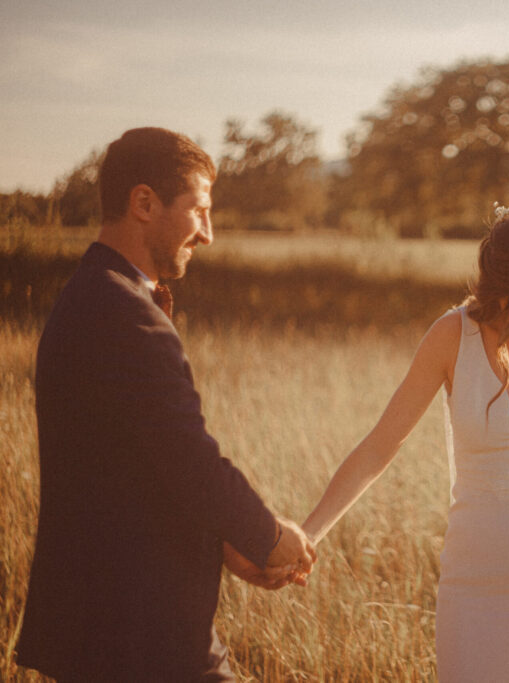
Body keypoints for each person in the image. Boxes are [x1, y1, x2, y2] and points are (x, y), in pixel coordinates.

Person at [16, 127, 317, 682]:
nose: (208, 234)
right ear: (144, 203)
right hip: (141, 631)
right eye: (199, 210)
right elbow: (189, 458)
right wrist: (270, 537)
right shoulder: (122, 312)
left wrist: (226, 538)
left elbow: (138, 463)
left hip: (108, 628)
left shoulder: (93, 294)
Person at [302, 193, 509, 681]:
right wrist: (309, 534)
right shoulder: (452, 336)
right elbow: (380, 444)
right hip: (475, 584)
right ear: (497, 293)